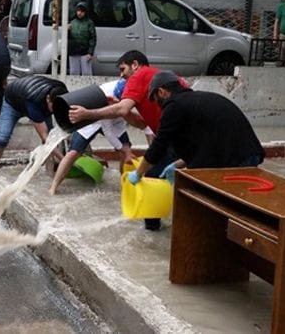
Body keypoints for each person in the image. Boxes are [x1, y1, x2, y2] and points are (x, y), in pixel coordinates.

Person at [68, 50, 171, 231]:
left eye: (123, 69)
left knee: (153, 175)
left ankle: (152, 226)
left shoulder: (138, 77)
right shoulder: (155, 78)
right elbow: (139, 123)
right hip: (178, 133)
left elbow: (123, 112)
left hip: (175, 134)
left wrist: (88, 113)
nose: (121, 74)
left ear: (135, 65)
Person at [127, 70, 264, 186]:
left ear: (162, 92)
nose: (156, 104)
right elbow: (208, 142)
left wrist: (139, 173)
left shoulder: (174, 106)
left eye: (154, 98)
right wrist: (177, 164)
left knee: (219, 204)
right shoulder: (197, 100)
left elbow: (159, 146)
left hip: (235, 159)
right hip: (248, 153)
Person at [49, 79, 135, 195]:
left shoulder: (132, 93)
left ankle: (124, 186)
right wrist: (121, 148)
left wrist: (125, 150)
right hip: (90, 121)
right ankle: (53, 187)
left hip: (115, 122)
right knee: (73, 153)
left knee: (126, 151)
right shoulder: (106, 95)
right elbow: (107, 130)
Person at [0, 75, 68, 167]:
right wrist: (64, 160)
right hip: (13, 103)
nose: (55, 111)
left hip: (32, 98)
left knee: (52, 136)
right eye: (54, 108)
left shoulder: (62, 92)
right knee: (2, 137)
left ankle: (51, 169)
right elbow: (45, 138)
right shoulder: (34, 102)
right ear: (48, 99)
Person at [68, 1, 96, 76]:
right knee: (73, 72)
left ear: (86, 12)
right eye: (78, 10)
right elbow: (68, 38)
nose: (79, 13)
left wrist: (90, 53)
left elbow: (92, 38)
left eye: (82, 11)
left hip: (85, 51)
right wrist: (67, 30)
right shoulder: (72, 22)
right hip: (73, 50)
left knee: (86, 73)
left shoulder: (89, 23)